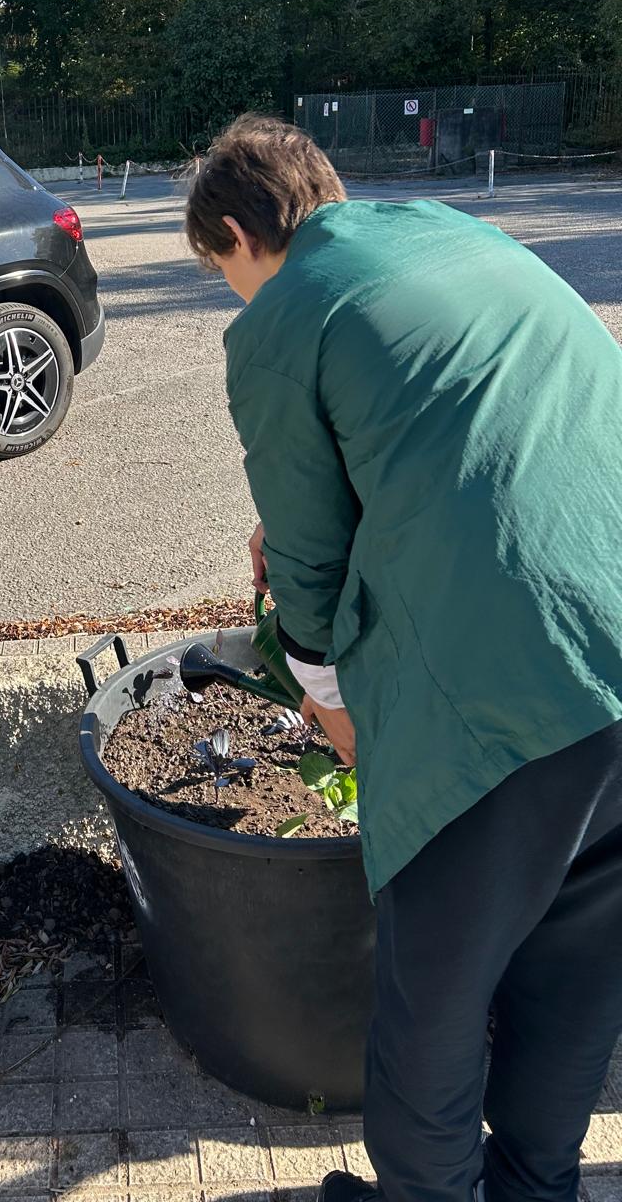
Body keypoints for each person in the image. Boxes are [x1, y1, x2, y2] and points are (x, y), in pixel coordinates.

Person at [186, 115, 622, 1202]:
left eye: (220, 272)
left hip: (507, 687)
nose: (233, 294)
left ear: (239, 233)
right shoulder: (458, 236)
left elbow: (312, 584)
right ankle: (536, 1183)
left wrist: (340, 717)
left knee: (432, 997)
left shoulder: (283, 314)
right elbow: (474, 435)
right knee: (577, 968)